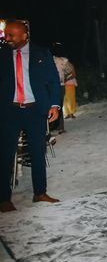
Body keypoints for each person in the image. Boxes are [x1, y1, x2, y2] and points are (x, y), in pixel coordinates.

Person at [1, 20, 61, 212]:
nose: (7, 38)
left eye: (11, 35)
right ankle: (3, 198)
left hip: (35, 110)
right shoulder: (2, 54)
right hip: (9, 111)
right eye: (6, 34)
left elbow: (53, 81)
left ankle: (40, 193)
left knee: (37, 152)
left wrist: (54, 105)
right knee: (5, 154)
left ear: (25, 35)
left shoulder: (41, 53)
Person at [52, 44, 69, 134]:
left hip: (52, 85)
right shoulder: (64, 60)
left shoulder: (51, 59)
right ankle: (60, 127)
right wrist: (65, 77)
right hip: (61, 85)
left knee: (53, 106)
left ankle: (53, 127)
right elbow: (70, 71)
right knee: (60, 106)